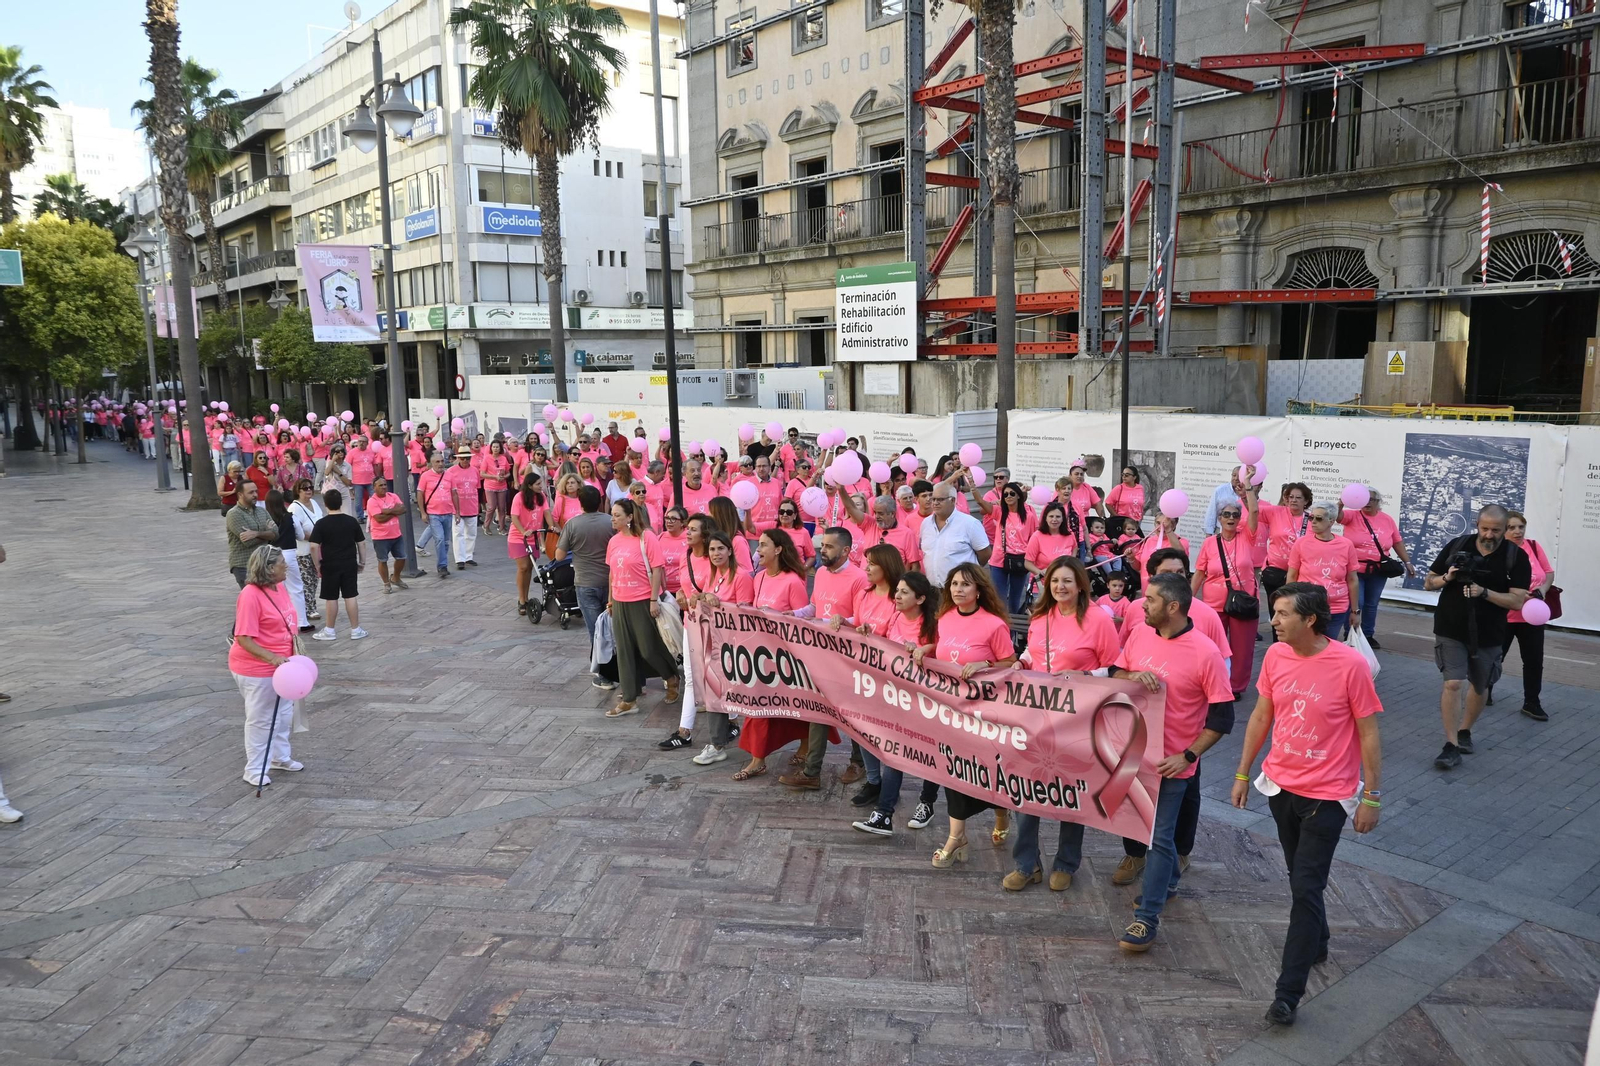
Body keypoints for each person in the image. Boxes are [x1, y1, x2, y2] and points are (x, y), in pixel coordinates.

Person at [1232, 582, 1383, 1026]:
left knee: (1304, 888)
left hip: (1329, 797)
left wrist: (1371, 797)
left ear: (1310, 619)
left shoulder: (1350, 665)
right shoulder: (1277, 656)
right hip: (1281, 789)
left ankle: (1287, 993)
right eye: (1273, 612)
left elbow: (1369, 733)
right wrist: (1243, 772)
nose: (1273, 621)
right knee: (1302, 879)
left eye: (1281, 614)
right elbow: (1262, 714)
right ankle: (1317, 942)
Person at [1110, 573, 1235, 952]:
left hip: (1173, 767)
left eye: (1149, 599)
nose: (1141, 604)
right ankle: (1169, 884)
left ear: (1173, 607)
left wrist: (1187, 756)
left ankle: (1146, 920)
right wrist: (1132, 673)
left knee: (1158, 838)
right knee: (1144, 831)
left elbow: (1222, 719)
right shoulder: (1139, 634)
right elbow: (1116, 673)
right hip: (1134, 757)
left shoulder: (1206, 653)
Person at [1003, 556, 1120, 893]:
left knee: (1070, 793)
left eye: (1067, 581)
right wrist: (1019, 660)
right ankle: (1026, 864)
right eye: (1054, 581)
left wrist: (1085, 675)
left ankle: (1067, 862)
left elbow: (1116, 669)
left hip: (1079, 720)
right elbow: (1033, 652)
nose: (1060, 587)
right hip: (1035, 716)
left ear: (1080, 584)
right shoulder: (1042, 616)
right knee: (1026, 790)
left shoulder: (1098, 620)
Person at [922, 564, 1018, 868]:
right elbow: (946, 653)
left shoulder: (993, 625)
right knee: (953, 770)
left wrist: (985, 664)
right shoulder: (945, 618)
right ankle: (957, 836)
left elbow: (1011, 664)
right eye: (953, 584)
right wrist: (927, 647)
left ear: (979, 590)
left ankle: (1002, 810)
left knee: (987, 769)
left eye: (965, 584)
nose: (958, 589)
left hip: (985, 713)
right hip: (949, 711)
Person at [1425, 504, 1530, 769]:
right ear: (1477, 525)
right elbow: (1430, 581)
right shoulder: (1457, 545)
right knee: (1453, 683)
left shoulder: (1516, 557)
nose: (1489, 535)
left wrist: (1484, 593)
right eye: (1485, 529)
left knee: (1480, 685)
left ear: (1505, 529)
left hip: (1489, 632)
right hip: (1450, 626)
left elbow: (1517, 601)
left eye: (1496, 530)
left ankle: (1465, 731)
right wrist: (1447, 578)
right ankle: (1450, 745)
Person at [780, 527, 872, 790]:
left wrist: (845, 621)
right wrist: (793, 614)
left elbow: (862, 619)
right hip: (819, 654)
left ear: (845, 551)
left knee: (851, 713)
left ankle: (858, 761)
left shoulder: (858, 578)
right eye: (823, 546)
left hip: (847, 658)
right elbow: (815, 607)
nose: (823, 550)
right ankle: (812, 771)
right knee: (817, 709)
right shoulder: (819, 572)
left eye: (830, 547)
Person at [851, 571, 942, 837]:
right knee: (888, 748)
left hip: (923, 701)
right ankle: (884, 813)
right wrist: (870, 633)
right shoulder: (895, 616)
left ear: (921, 598)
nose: (897, 596)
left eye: (904, 592)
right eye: (897, 590)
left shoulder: (932, 624)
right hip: (892, 696)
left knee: (927, 753)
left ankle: (924, 803)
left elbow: (940, 654)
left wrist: (926, 650)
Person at [839, 543, 908, 808]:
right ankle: (873, 781)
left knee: (888, 735)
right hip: (861, 673)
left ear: (886, 566)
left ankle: (889, 788)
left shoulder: (899, 598)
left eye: (871, 564)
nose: (865, 568)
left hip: (889, 679)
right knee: (863, 730)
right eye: (866, 563)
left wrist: (874, 635)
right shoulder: (865, 593)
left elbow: (900, 635)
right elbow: (857, 623)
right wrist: (844, 622)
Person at [230, 545, 303, 788]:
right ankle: (254, 769)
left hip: (284, 667)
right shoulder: (250, 595)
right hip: (257, 668)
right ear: (270, 569)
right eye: (283, 562)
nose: (287, 565)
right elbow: (243, 638)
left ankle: (279, 757)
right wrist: (272, 658)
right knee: (261, 719)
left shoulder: (279, 586)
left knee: (283, 714)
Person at [603, 498, 681, 718]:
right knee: (625, 650)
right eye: (612, 514)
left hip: (642, 600)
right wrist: (610, 600)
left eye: (617, 515)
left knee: (648, 647)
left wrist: (654, 600)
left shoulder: (647, 537)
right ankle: (629, 698)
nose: (613, 518)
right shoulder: (614, 541)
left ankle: (671, 676)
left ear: (629, 517)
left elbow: (657, 569)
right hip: (619, 601)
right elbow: (612, 573)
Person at [1191, 480, 1260, 697]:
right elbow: (1200, 572)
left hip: (1243, 602)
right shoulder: (1210, 543)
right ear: (1219, 517)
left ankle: (1236, 687)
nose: (1231, 518)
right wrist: (1188, 599)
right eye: (1226, 514)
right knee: (1212, 648)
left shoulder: (1248, 537)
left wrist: (1247, 486)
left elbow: (1255, 510)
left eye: (1235, 515)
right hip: (1214, 605)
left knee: (1242, 649)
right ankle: (1213, 681)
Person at [1339, 488, 1415, 649]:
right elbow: (1337, 517)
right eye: (1364, 500)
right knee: (1356, 602)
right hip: (1355, 569)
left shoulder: (1387, 520)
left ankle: (1367, 635)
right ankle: (1351, 632)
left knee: (1371, 604)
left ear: (1377, 502)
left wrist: (1407, 562)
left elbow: (1397, 542)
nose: (1367, 503)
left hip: (1378, 570)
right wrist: (1340, 503)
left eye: (1371, 499)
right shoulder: (1352, 515)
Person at [553, 485, 616, 678]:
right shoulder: (611, 522)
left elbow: (559, 555)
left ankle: (604, 674)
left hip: (585, 582)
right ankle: (618, 668)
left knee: (596, 630)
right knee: (615, 628)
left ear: (580, 503)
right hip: (611, 582)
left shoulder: (573, 524)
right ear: (599, 501)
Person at [1502, 511, 1555, 722]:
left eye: (1520, 527)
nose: (1517, 532)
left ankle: (1532, 702)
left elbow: (1548, 573)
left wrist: (1542, 589)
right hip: (1504, 616)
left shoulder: (1533, 546)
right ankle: (1482, 691)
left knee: (1534, 661)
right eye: (1512, 527)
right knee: (1495, 658)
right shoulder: (1499, 551)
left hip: (1532, 617)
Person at [1285, 504, 1359, 639]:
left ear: (1331, 521)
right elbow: (1292, 575)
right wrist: (1290, 603)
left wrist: (1355, 611)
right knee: (1307, 645)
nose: (1313, 522)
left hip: (1336, 608)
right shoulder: (1301, 543)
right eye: (1311, 517)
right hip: (1307, 605)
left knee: (1328, 645)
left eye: (1318, 518)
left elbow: (1352, 579)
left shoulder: (1346, 545)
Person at [307, 489, 368, 641]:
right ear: (341, 503)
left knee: (331, 597)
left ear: (325, 504)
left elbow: (314, 546)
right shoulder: (351, 521)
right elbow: (361, 543)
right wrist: (362, 562)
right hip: (348, 562)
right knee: (350, 595)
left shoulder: (321, 524)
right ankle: (355, 629)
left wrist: (317, 565)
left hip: (329, 564)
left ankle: (330, 630)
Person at [1255, 482, 1314, 633]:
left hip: (1300, 574)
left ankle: (1295, 644)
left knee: (1296, 611)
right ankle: (1278, 646)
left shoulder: (1313, 519)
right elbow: (1253, 510)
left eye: (1298, 497)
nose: (1293, 500)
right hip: (1275, 571)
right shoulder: (1276, 512)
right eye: (1290, 497)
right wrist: (1249, 488)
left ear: (1306, 501)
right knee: (1278, 612)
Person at [921, 480, 992, 589]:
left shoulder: (970, 524)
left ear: (953, 500)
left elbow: (985, 554)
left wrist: (969, 573)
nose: (935, 503)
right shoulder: (926, 524)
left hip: (960, 591)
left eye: (940, 499)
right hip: (933, 590)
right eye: (933, 499)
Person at [980, 479, 1037, 615]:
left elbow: (1033, 539)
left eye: (1012, 493)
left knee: (1014, 599)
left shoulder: (1029, 516)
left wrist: (1031, 561)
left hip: (1019, 560)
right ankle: (1003, 628)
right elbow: (981, 503)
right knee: (999, 598)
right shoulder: (1000, 512)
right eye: (1005, 495)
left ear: (1018, 495)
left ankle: (1013, 632)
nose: (1008, 496)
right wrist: (971, 485)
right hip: (999, 560)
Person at [263, 489, 310, 631]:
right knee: (296, 587)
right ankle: (302, 621)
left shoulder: (266, 519)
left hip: (272, 554)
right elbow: (301, 536)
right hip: (289, 553)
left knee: (276, 588)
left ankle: (280, 620)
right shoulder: (290, 517)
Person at [225, 479, 278, 588]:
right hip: (244, 565)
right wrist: (267, 533)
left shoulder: (261, 511)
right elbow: (248, 541)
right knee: (252, 600)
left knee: (266, 599)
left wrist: (256, 533)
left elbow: (276, 534)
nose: (255, 495)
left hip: (263, 564)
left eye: (256, 491)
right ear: (240, 494)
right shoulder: (234, 514)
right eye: (251, 492)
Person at [509, 471, 548, 615]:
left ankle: (526, 597)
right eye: (538, 484)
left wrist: (552, 526)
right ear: (530, 485)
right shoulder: (519, 497)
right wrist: (523, 531)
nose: (540, 486)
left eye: (541, 483)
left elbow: (547, 513)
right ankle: (521, 599)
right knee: (523, 567)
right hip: (518, 537)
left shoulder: (541, 497)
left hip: (534, 536)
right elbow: (514, 517)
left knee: (530, 569)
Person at [288, 479, 325, 626]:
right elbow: (297, 531)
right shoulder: (294, 508)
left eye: (310, 487)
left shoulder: (315, 503)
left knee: (315, 578)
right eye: (305, 488)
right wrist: (316, 537)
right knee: (306, 580)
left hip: (317, 548)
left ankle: (309, 606)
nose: (309, 490)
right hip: (302, 550)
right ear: (298, 491)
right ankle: (309, 608)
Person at [366, 475, 409, 594]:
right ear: (374, 487)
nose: (384, 487)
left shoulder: (393, 496)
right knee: (382, 560)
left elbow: (403, 509)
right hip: (380, 537)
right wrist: (394, 511)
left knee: (401, 558)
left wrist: (387, 511)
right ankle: (386, 583)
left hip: (396, 534)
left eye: (385, 484)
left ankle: (396, 577)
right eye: (380, 485)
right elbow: (379, 518)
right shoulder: (372, 501)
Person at [416, 452, 456, 578]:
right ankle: (442, 566)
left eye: (442, 461)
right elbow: (420, 494)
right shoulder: (426, 476)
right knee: (439, 539)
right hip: (434, 513)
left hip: (448, 512)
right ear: (432, 463)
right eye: (437, 462)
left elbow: (454, 493)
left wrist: (458, 512)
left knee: (445, 542)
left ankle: (443, 564)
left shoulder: (450, 475)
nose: (440, 464)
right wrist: (423, 512)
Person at [445, 448, 482, 570]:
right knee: (458, 533)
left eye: (468, 458)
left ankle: (468, 556)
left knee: (471, 533)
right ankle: (460, 559)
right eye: (462, 458)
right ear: (458, 458)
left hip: (471, 505)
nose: (465, 460)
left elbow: (477, 487)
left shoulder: (475, 471)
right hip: (457, 507)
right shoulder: (451, 471)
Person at [347, 436, 376, 520]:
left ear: (367, 443)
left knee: (374, 497)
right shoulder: (352, 452)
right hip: (357, 480)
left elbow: (374, 465)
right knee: (358, 500)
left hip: (370, 479)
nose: (361, 443)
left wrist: (376, 477)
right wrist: (349, 478)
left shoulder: (371, 452)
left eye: (363, 441)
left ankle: (374, 514)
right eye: (360, 441)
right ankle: (360, 517)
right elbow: (348, 466)